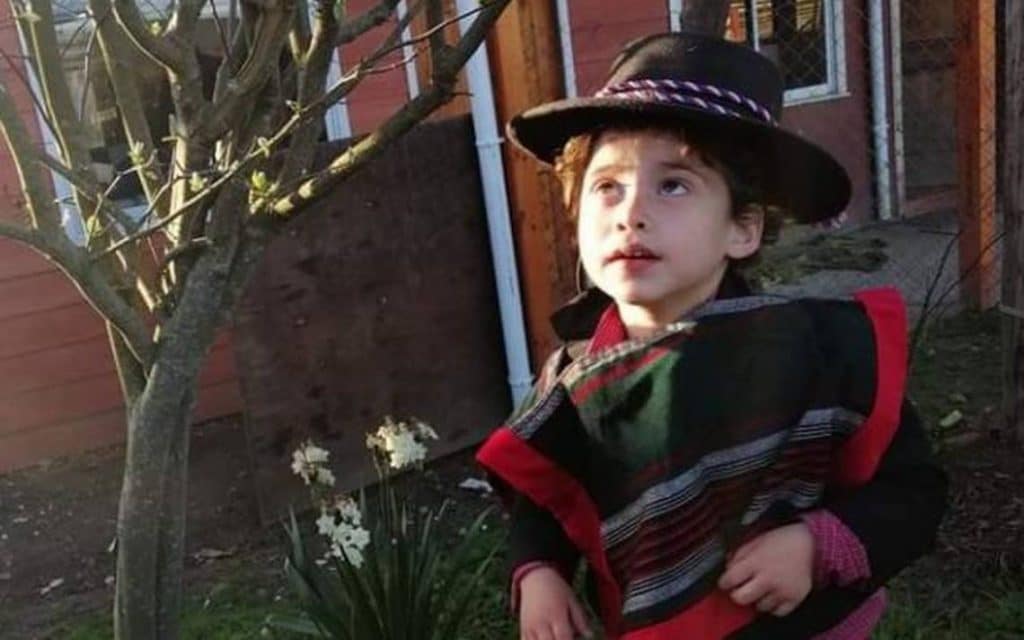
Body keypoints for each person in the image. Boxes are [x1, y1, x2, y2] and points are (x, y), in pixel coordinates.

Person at [475, 32, 947, 640]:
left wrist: (815, 543)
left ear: (742, 230)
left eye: (673, 185)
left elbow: (915, 492)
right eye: (607, 187)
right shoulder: (576, 376)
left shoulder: (819, 355)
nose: (631, 213)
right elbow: (546, 495)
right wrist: (539, 572)